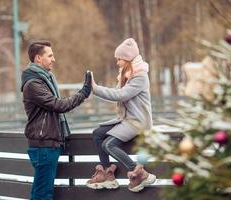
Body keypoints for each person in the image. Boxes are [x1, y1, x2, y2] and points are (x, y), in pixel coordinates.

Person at [21, 40, 91, 200]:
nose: (54, 59)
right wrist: (84, 93)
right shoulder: (33, 84)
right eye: (50, 55)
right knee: (42, 195)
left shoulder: (44, 80)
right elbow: (58, 105)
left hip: (48, 145)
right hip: (43, 146)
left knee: (41, 193)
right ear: (38, 58)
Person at [86, 38, 156, 192]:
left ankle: (139, 173)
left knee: (108, 144)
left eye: (119, 59)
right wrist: (95, 88)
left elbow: (121, 95)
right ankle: (106, 173)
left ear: (128, 59)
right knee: (98, 133)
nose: (117, 62)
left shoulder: (140, 77)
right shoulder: (125, 75)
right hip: (126, 119)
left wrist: (95, 88)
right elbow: (116, 93)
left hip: (138, 122)